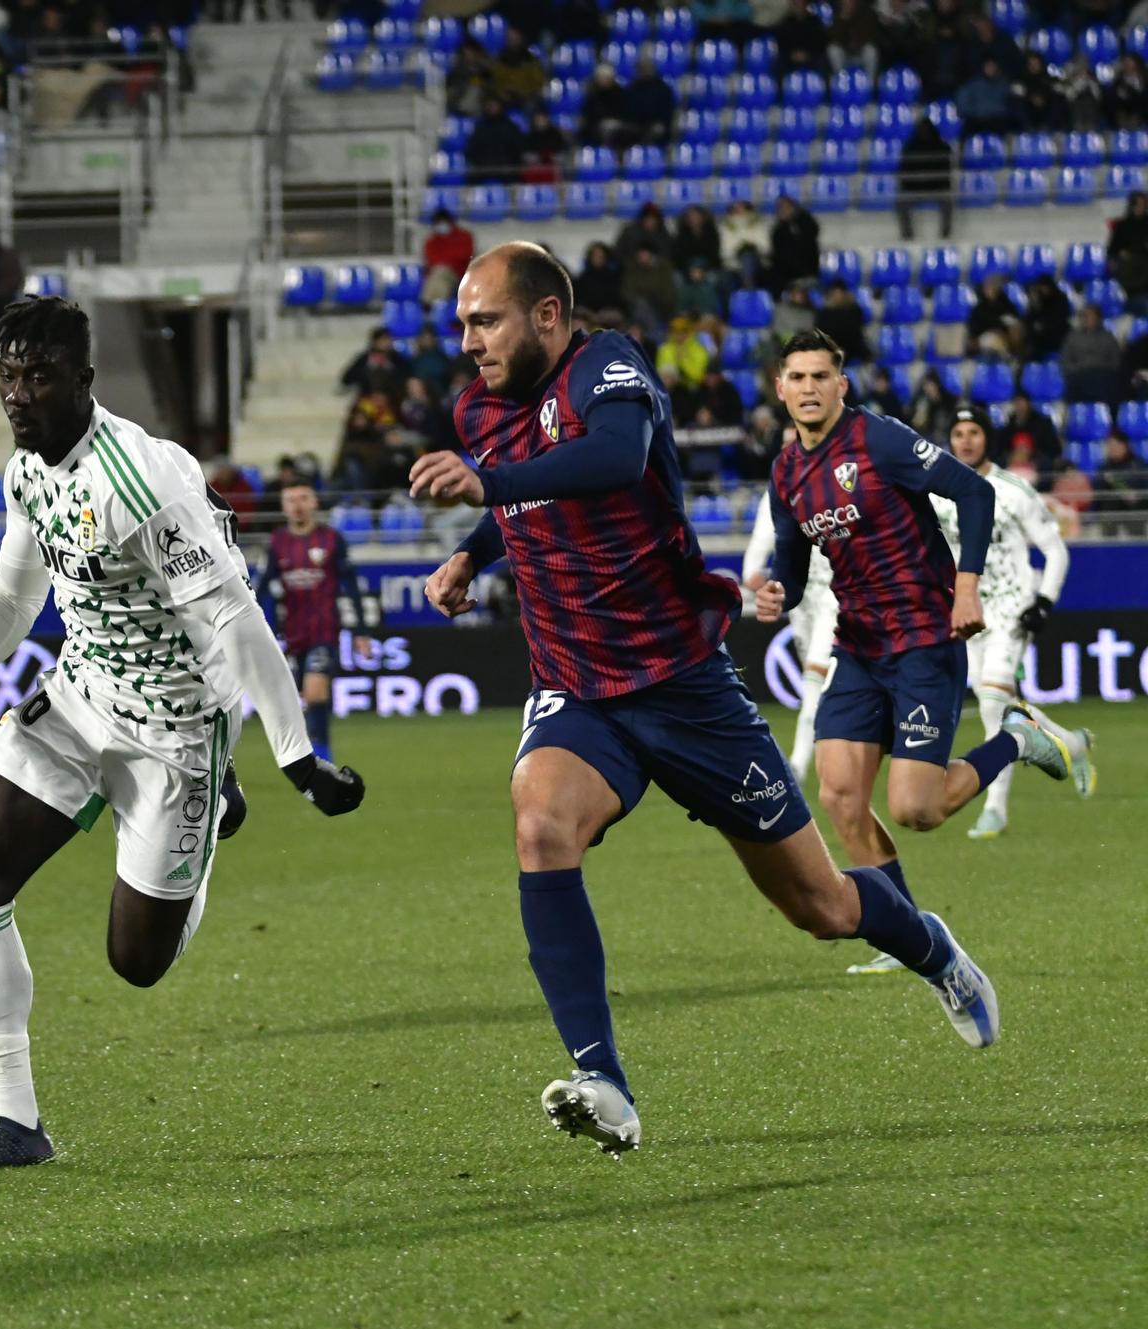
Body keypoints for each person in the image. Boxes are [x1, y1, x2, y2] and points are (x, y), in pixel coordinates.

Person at [406, 245, 998, 1158]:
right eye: (463, 322)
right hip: (577, 685)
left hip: (684, 685)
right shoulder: (477, 408)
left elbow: (610, 457)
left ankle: (933, 950)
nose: (468, 338)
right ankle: (602, 1077)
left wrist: (491, 484)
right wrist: (472, 554)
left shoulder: (610, 366)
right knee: (539, 826)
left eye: (486, 320)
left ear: (549, 317)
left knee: (823, 907)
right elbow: (519, 493)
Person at [0, 296, 365, 1171]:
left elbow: (238, 625)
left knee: (136, 962)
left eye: (38, 377)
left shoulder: (144, 484)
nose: (17, 395)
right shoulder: (28, 465)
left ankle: (209, 808)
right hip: (81, 699)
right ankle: (17, 1123)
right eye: (8, 376)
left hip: (180, 729)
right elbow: (16, 589)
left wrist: (299, 762)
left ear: (83, 379)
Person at [756, 330, 1087, 979]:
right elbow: (793, 570)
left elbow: (974, 490)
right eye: (797, 376)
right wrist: (776, 592)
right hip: (860, 643)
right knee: (841, 796)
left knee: (917, 808)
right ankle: (906, 936)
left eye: (822, 375)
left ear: (841, 383)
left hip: (922, 637)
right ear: (780, 388)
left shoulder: (878, 438)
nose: (809, 387)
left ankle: (1016, 736)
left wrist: (965, 587)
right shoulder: (786, 472)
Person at [928, 406, 1091, 842]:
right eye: (958, 432)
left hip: (1010, 609)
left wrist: (1043, 602)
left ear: (987, 438)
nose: (965, 440)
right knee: (998, 703)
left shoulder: (1013, 491)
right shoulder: (938, 492)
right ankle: (1072, 745)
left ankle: (995, 810)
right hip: (966, 611)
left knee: (991, 703)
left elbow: (1056, 551)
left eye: (974, 432)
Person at [258, 481, 370, 764]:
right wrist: (258, 630)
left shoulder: (332, 539)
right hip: (292, 634)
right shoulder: (277, 544)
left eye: (303, 498)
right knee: (301, 699)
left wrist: (361, 632)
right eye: (291, 499)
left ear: (314, 503)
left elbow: (352, 587)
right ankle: (311, 753)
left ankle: (323, 757)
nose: (297, 504)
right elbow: (261, 591)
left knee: (315, 691)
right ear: (283, 506)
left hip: (324, 630)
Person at [743, 489, 835, 783]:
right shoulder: (776, 494)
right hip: (801, 605)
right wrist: (776, 593)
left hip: (837, 598)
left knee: (813, 680)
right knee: (820, 686)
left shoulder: (837, 481)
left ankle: (797, 763)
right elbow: (751, 571)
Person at [422, 208, 476, 305]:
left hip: (459, 275)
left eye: (442, 223)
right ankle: (438, 306)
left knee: (440, 272)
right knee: (441, 278)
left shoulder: (464, 237)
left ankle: (427, 304)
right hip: (440, 275)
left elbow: (465, 256)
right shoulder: (431, 241)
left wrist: (446, 262)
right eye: (438, 223)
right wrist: (449, 260)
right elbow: (431, 261)